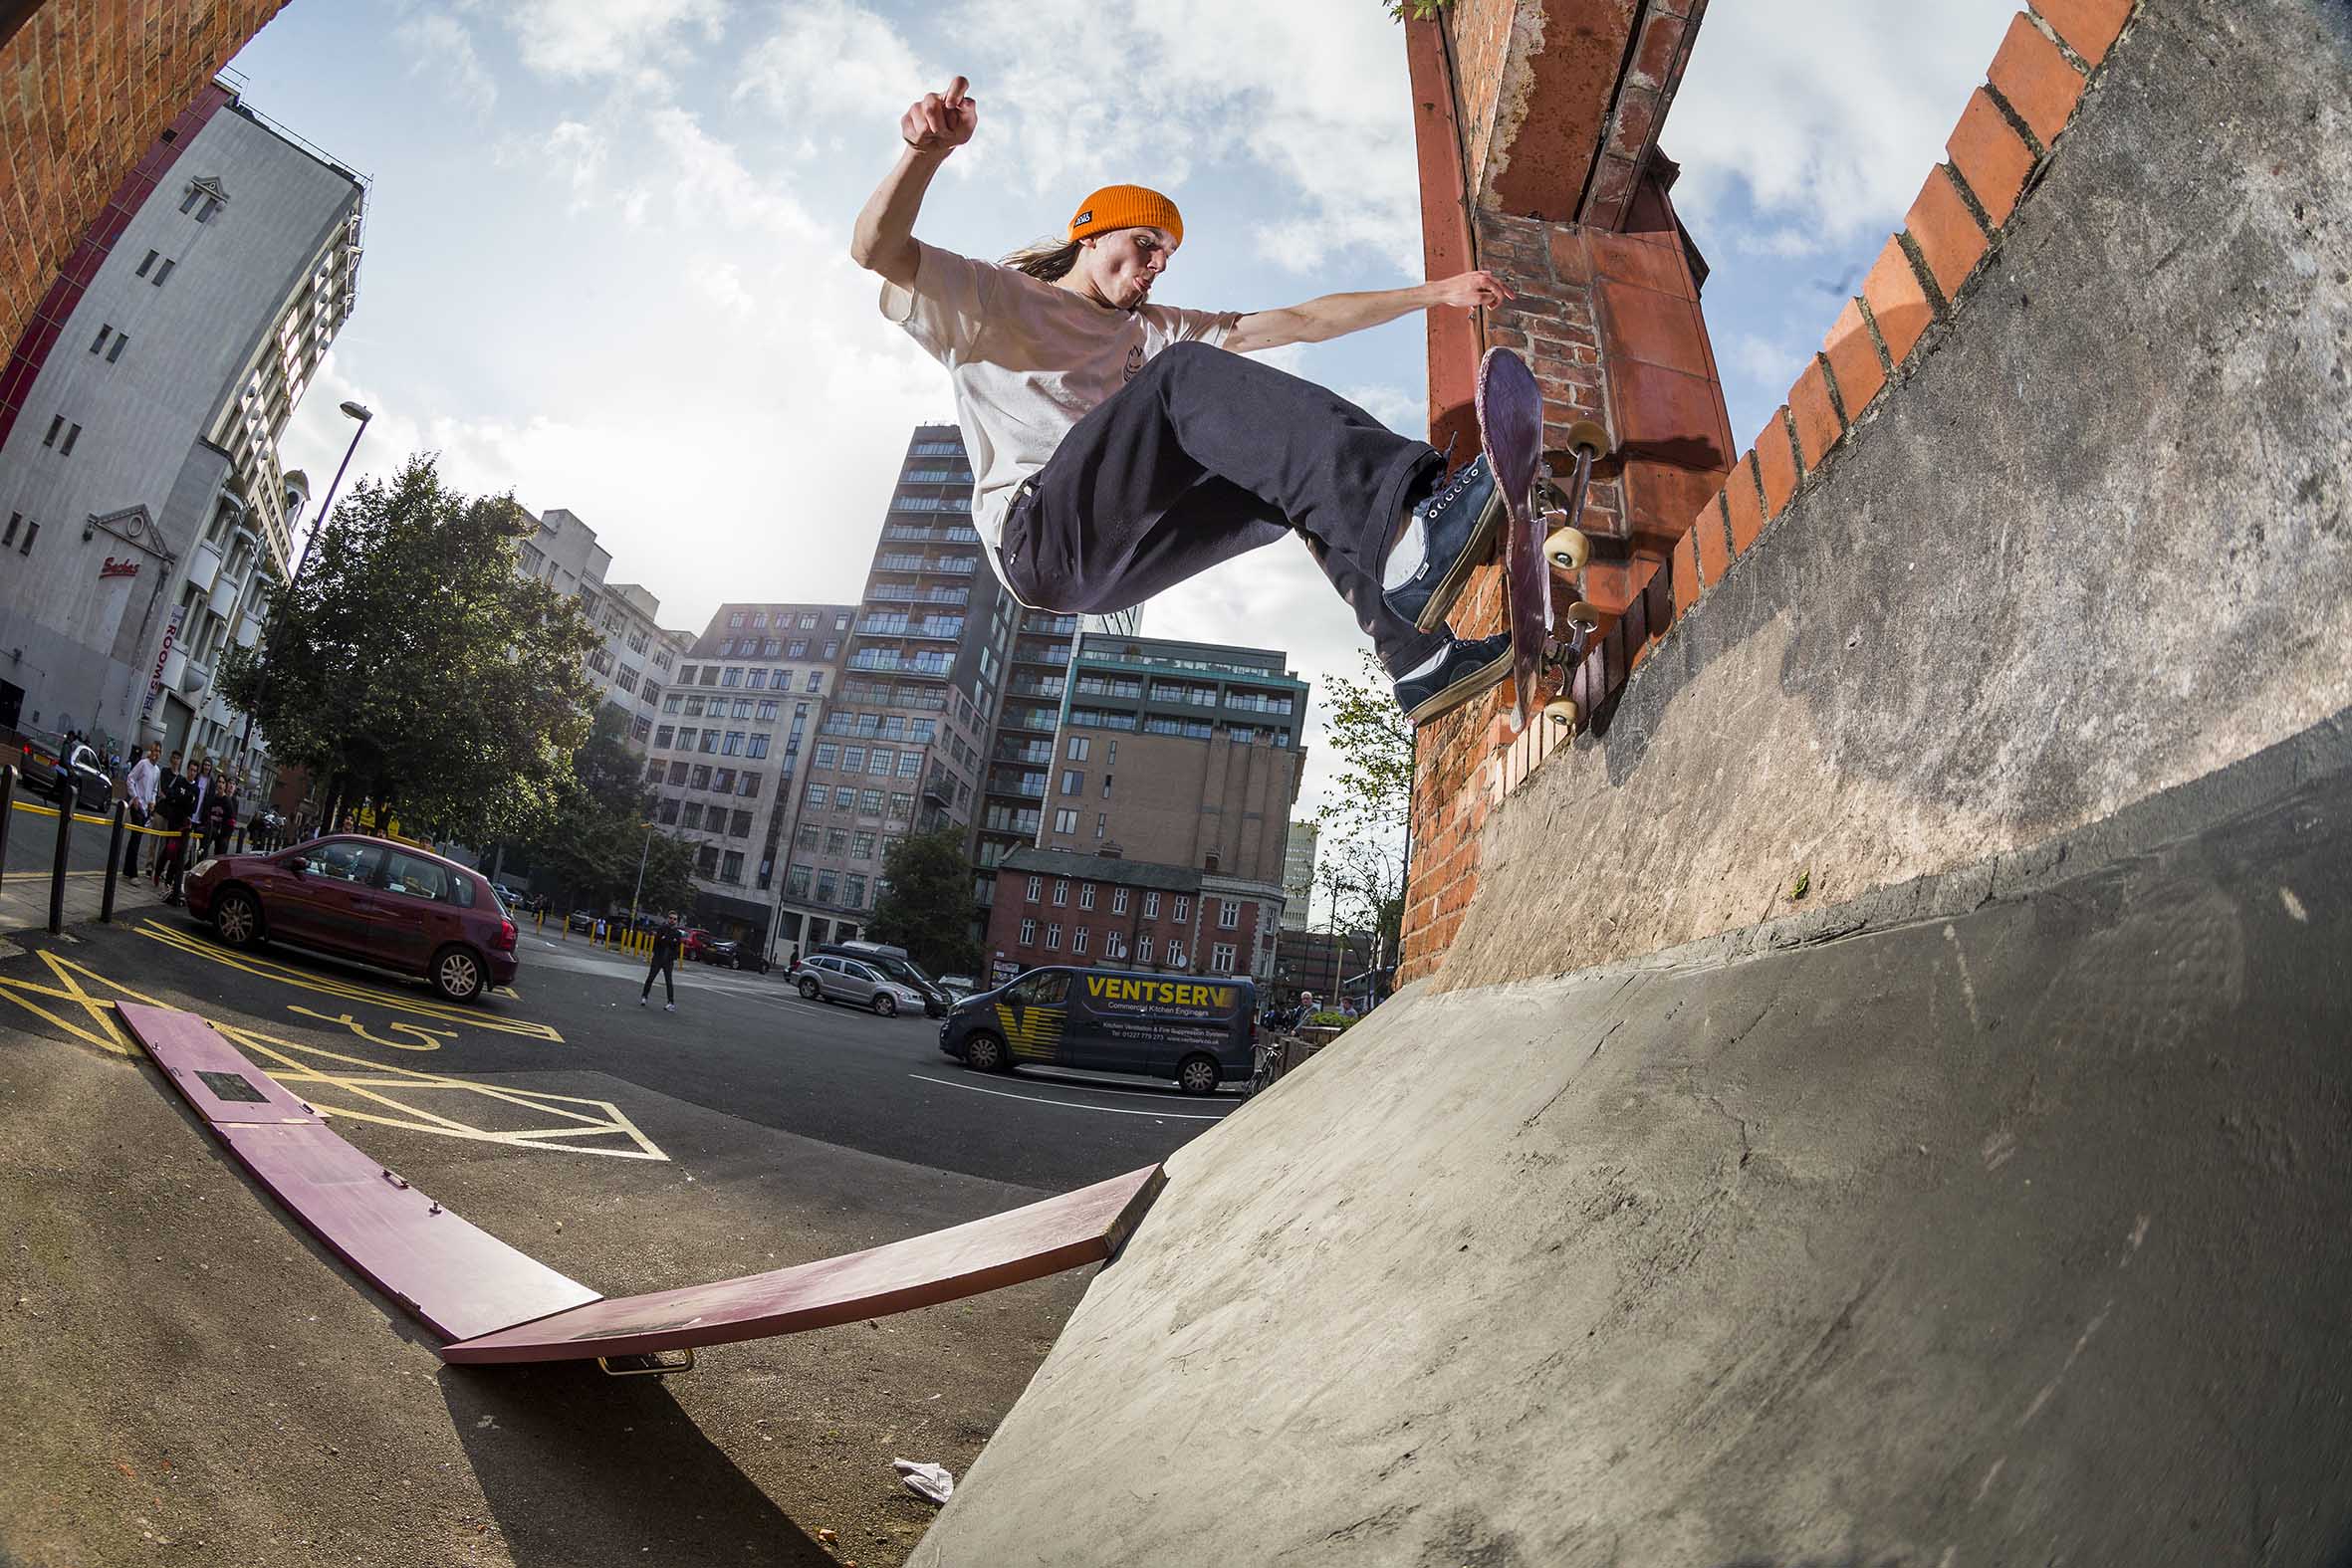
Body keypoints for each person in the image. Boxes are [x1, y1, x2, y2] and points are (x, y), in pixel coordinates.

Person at [852, 78, 1520, 725]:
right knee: (1178, 377)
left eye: (1167, 254)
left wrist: (1434, 294)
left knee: (1273, 478)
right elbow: (876, 250)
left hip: (1116, 563)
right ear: (1092, 234)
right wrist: (923, 153)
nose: (1158, 264)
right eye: (1147, 243)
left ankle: (1414, 656)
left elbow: (1302, 320)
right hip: (1038, 536)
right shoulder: (993, 298)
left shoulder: (1156, 326)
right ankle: (1414, 532)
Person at [123, 742, 160, 878]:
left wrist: (152, 802)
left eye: (158, 751)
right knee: (136, 838)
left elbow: (154, 790)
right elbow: (130, 779)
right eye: (154, 750)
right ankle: (133, 873)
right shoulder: (142, 764)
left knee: (135, 838)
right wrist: (135, 797)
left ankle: (128, 870)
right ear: (150, 751)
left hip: (146, 809)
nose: (156, 754)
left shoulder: (157, 771)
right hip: (137, 806)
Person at [642, 912, 683, 1011]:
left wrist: (666, 940)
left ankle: (671, 1002)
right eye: (670, 918)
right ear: (667, 918)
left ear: (677, 921)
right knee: (651, 977)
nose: (672, 920)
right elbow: (658, 942)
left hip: (668, 960)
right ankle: (644, 996)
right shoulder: (662, 929)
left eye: (674, 919)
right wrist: (669, 940)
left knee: (669, 982)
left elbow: (676, 947)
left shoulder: (677, 933)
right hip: (658, 958)